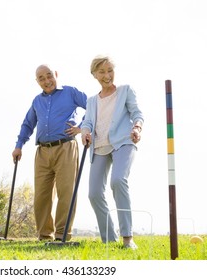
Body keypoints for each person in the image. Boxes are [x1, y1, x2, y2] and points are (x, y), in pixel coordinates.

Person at [12, 64, 87, 241]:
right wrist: (19, 145)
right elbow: (27, 124)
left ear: (56, 74)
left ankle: (62, 235)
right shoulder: (37, 101)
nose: (47, 81)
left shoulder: (70, 92)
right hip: (42, 151)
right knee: (41, 196)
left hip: (66, 147)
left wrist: (82, 127)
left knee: (66, 192)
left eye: (49, 76)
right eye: (41, 78)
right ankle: (45, 236)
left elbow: (93, 106)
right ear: (37, 82)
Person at [81, 55, 144, 249]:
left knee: (118, 180)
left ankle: (127, 238)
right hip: (99, 146)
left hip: (123, 142)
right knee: (93, 194)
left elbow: (137, 113)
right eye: (102, 72)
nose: (107, 75)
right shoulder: (92, 101)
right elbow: (87, 122)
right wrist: (85, 132)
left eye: (110, 70)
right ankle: (109, 238)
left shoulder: (125, 91)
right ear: (94, 75)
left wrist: (137, 128)